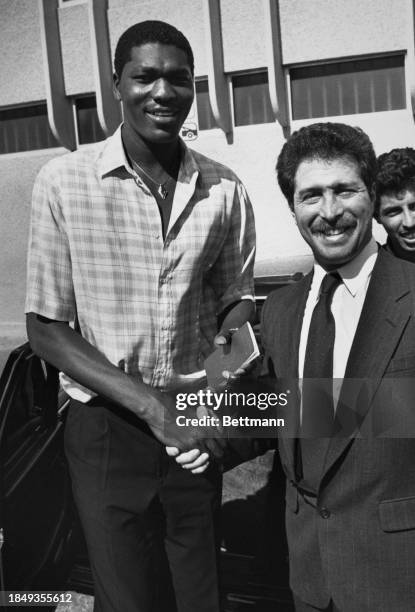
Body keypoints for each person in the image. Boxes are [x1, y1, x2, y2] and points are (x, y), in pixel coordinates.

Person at [25, 20, 255, 612]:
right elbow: (46, 328)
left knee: (200, 591)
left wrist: (211, 394)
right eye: (145, 76)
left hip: (191, 420)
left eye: (179, 79)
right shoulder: (64, 181)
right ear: (116, 85)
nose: (163, 92)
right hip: (105, 427)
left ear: (193, 87)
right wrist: (154, 410)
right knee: (127, 596)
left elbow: (236, 306)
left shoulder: (224, 190)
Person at [260, 123, 415, 611]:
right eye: (311, 196)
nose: (329, 212)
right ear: (292, 208)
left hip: (399, 577)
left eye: (344, 190)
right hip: (310, 579)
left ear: (371, 195)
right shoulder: (279, 310)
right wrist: (184, 421)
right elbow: (272, 412)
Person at [375, 147, 415, 262]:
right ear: (377, 216)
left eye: (414, 207)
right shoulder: (371, 275)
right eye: (393, 212)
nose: (409, 223)